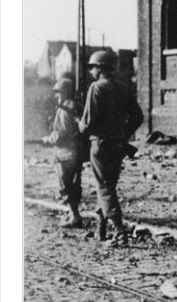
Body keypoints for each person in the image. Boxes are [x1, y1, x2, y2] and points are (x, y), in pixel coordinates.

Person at [79, 51, 143, 247]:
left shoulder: (96, 88)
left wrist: (79, 125)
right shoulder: (123, 87)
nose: (91, 71)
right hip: (118, 146)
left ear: (100, 68)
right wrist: (124, 134)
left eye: (93, 67)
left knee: (104, 188)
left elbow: (88, 123)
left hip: (100, 145)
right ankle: (101, 228)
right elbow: (138, 117)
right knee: (108, 186)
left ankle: (120, 232)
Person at [43, 78, 85, 228]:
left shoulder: (64, 109)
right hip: (76, 153)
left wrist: (48, 139)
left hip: (64, 154)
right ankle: (75, 215)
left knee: (65, 186)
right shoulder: (75, 106)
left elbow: (61, 134)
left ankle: (74, 216)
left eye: (58, 93)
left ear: (65, 92)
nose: (56, 96)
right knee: (75, 184)